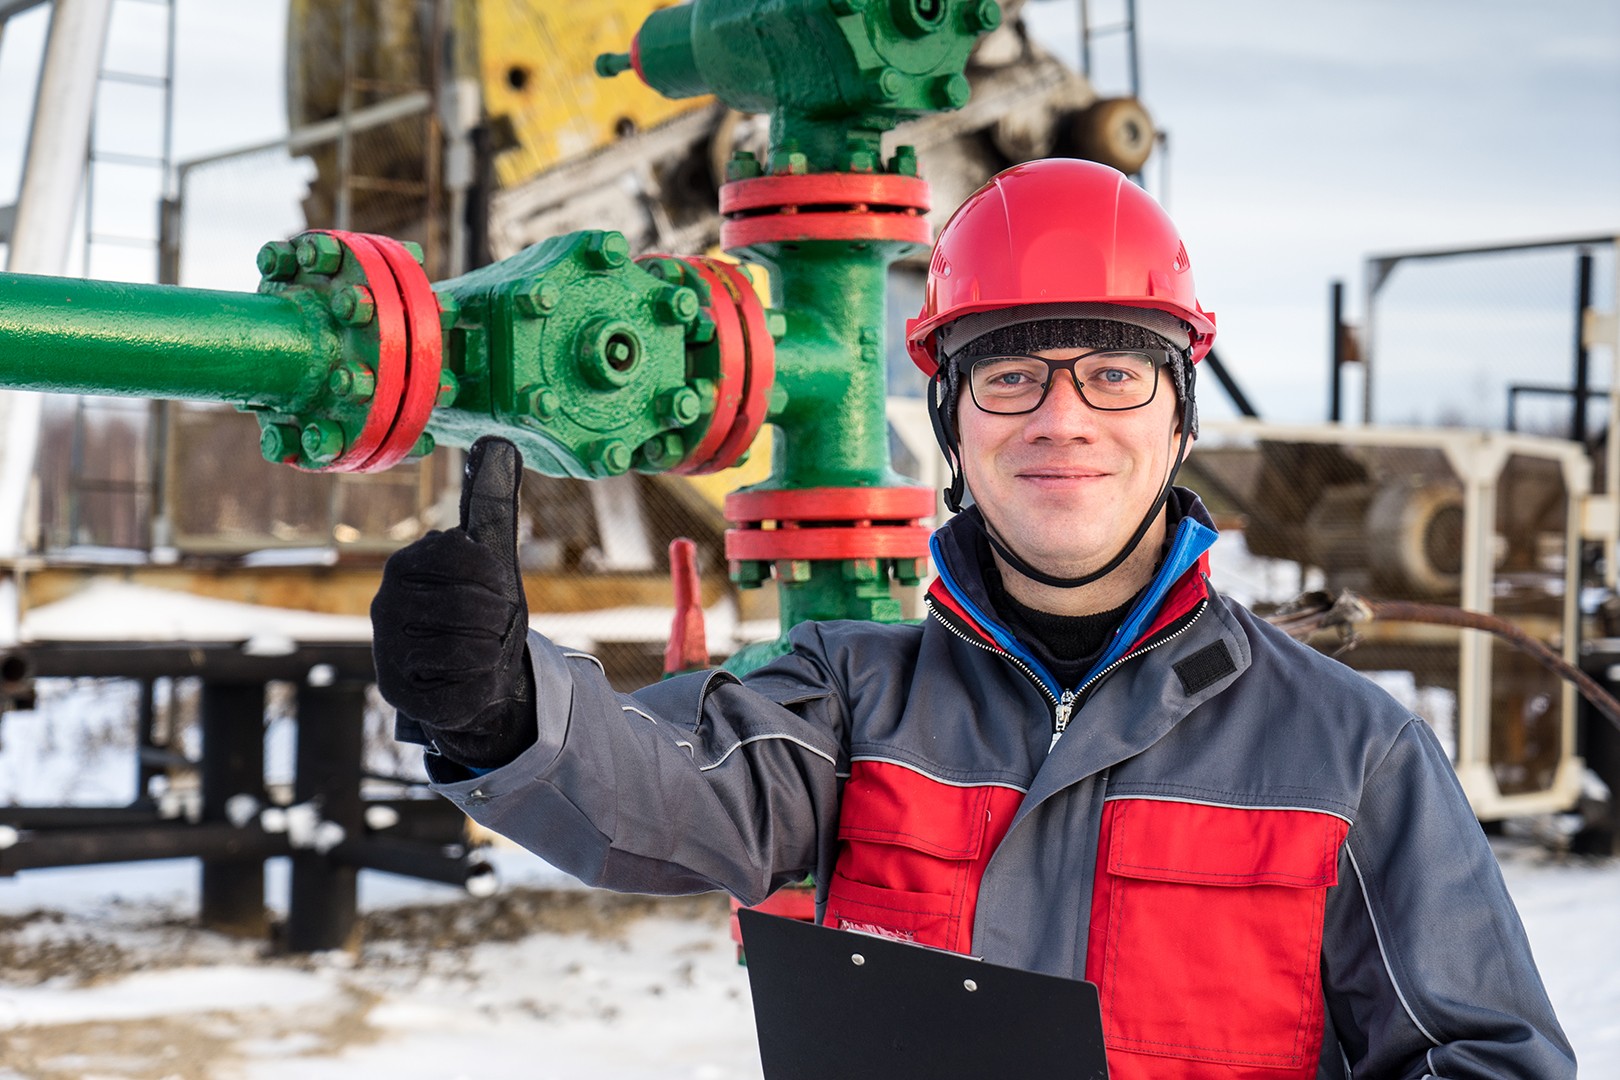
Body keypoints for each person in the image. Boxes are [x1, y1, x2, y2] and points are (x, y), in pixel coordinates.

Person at [370, 159, 1574, 1079]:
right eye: (1010, 373)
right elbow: (663, 789)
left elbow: (1484, 1057)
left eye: (1114, 371)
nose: (1062, 417)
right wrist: (505, 709)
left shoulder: (1352, 758)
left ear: (1181, 418)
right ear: (953, 425)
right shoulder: (848, 701)